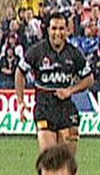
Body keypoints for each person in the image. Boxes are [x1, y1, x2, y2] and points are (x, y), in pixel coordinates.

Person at [15, 12, 94, 155]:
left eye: (61, 29)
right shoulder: (37, 51)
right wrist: (20, 101)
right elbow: (19, 72)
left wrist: (70, 91)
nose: (58, 33)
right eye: (54, 28)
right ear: (48, 30)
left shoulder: (74, 54)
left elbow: (89, 79)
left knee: (67, 164)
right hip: (44, 110)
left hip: (66, 111)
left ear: (67, 31)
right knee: (49, 160)